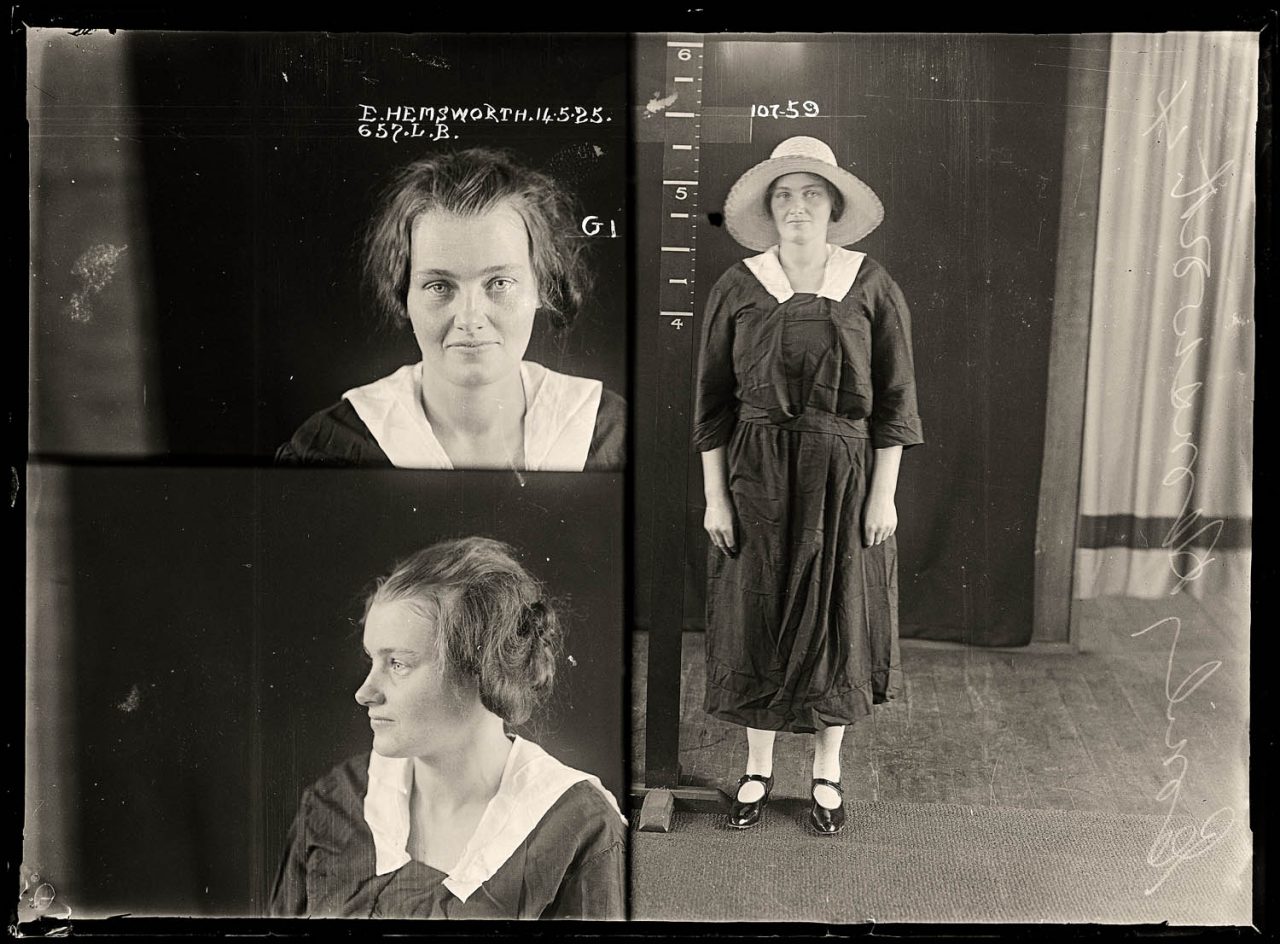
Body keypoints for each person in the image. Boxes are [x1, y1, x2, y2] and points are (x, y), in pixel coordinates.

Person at [694, 136, 924, 835]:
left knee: (838, 614)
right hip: (757, 471)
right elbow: (711, 406)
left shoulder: (872, 283)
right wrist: (715, 496)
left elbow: (896, 400)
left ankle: (827, 771)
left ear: (833, 208)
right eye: (784, 196)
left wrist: (884, 492)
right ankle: (757, 768)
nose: (797, 208)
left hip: (846, 477)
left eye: (811, 195)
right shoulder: (738, 286)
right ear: (769, 209)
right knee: (755, 612)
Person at [270, 537, 626, 919]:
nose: (365, 693)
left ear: (482, 671)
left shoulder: (579, 829)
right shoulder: (333, 803)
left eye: (398, 664)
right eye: (373, 659)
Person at [276, 148, 625, 471]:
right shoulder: (331, 445)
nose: (470, 319)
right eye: (439, 286)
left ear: (542, 287)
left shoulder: (611, 432)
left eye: (499, 283)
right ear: (403, 293)